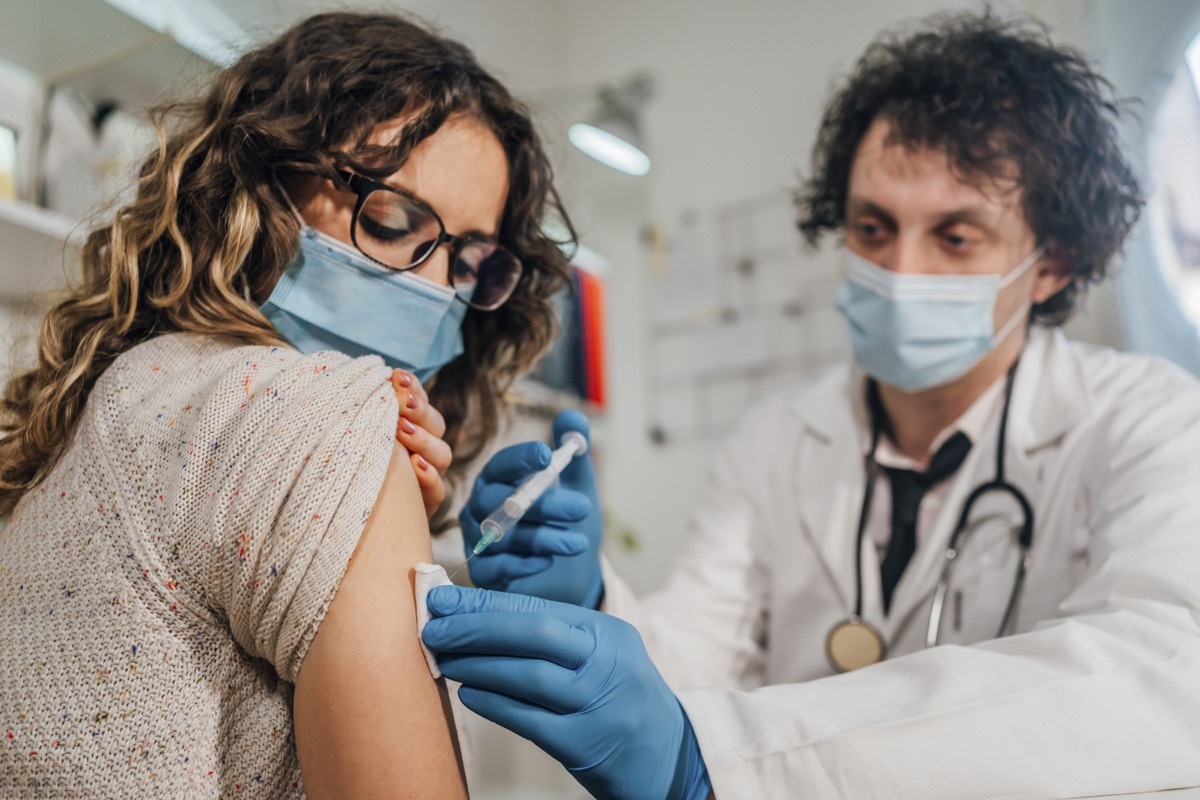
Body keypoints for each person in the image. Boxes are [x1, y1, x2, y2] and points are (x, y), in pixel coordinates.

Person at [420, 10, 1200, 799]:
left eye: (956, 236)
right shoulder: (777, 439)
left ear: (1052, 265)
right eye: (873, 227)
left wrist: (718, 759)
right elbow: (687, 664)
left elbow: (1165, 672)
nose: (900, 269)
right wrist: (587, 597)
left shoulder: (1149, 420)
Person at [0, 11, 573, 798]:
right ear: (265, 181)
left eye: (471, 260)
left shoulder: (118, 389)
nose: (432, 289)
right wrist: (350, 461)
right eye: (394, 219)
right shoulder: (320, 416)